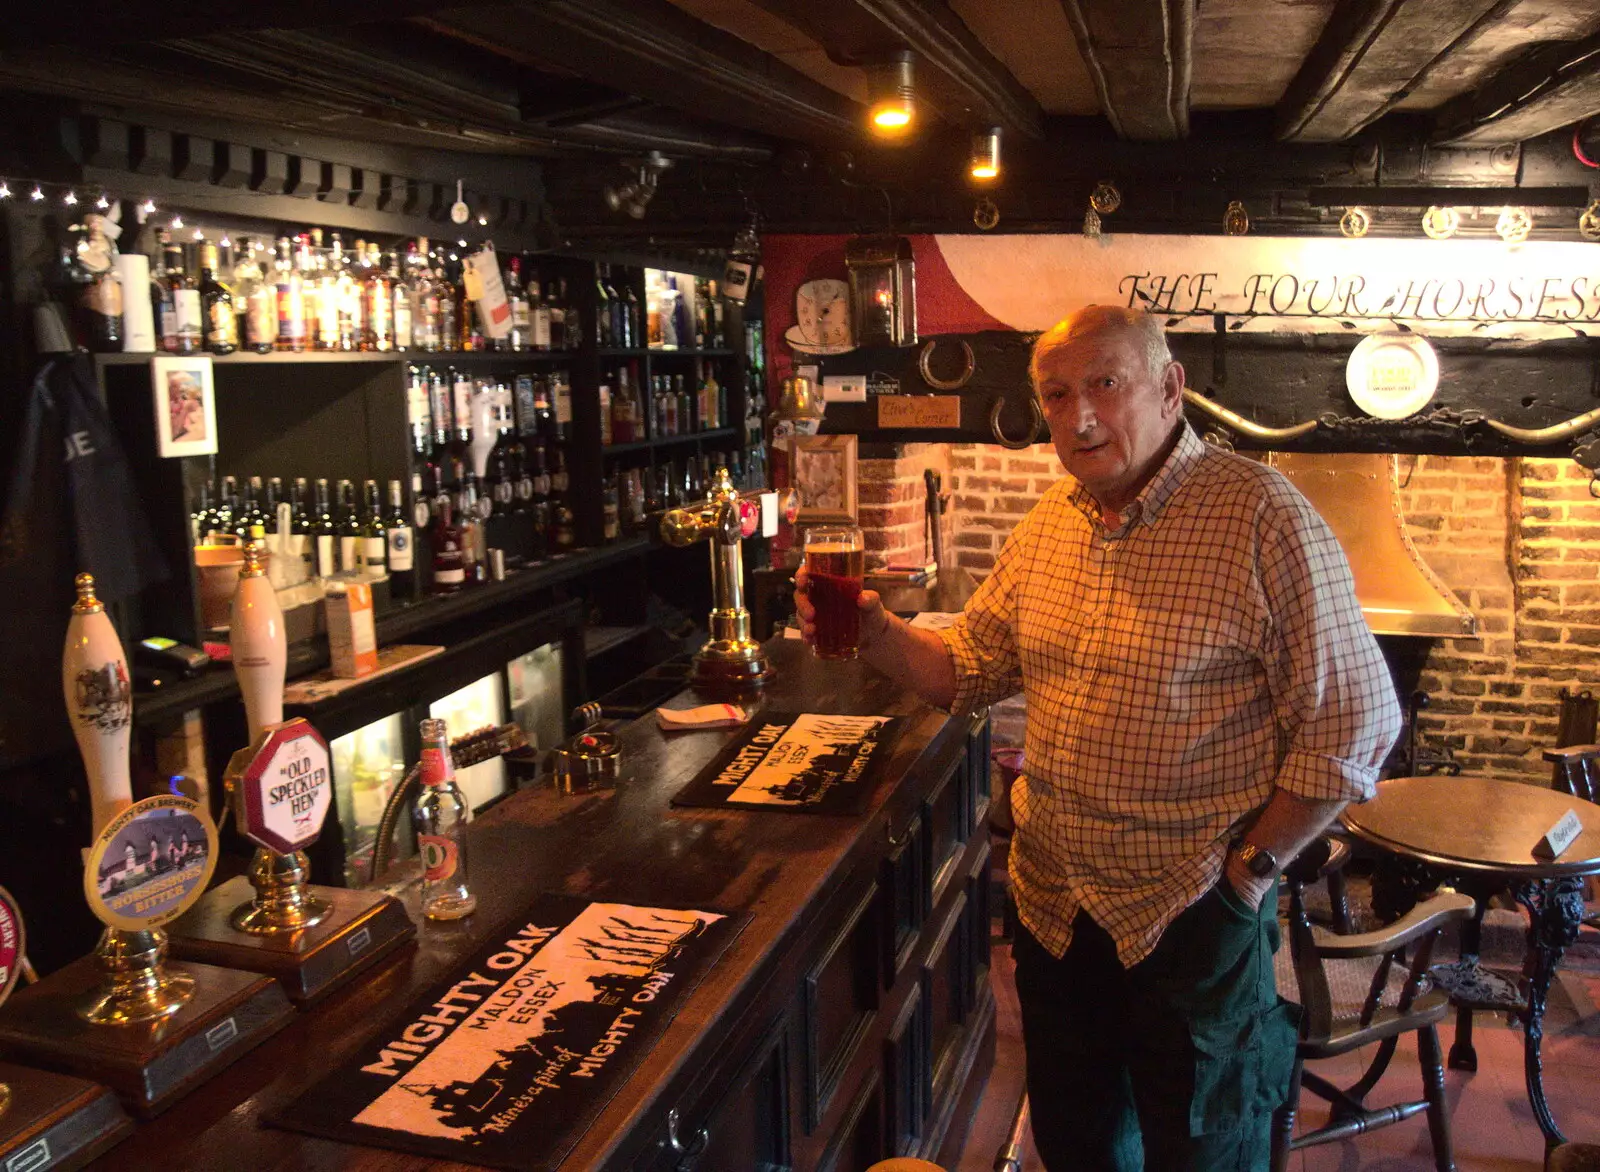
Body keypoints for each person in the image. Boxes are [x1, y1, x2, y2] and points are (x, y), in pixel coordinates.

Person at [793, 306, 1402, 1171]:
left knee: (1203, 1150)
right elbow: (970, 666)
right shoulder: (1052, 523)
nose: (1079, 416)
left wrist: (1249, 875)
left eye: (1105, 386)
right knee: (1076, 1144)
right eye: (1056, 394)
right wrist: (875, 631)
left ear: (1169, 388)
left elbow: (1358, 720)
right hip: (1055, 910)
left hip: (1192, 911)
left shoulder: (1262, 516)